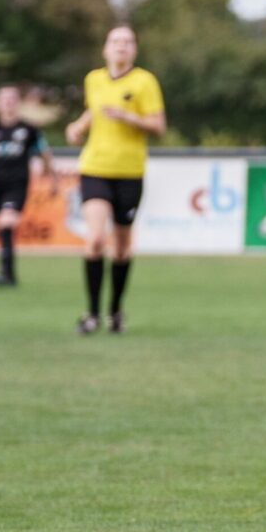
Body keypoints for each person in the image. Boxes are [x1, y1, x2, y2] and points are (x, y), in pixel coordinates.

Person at [64, 26, 166, 335]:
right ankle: (92, 313)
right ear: (105, 49)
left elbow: (158, 126)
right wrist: (77, 127)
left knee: (121, 248)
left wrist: (128, 117)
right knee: (95, 239)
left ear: (134, 49)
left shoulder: (144, 82)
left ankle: (115, 311)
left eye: (127, 42)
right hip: (95, 167)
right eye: (115, 41)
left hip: (129, 172)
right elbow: (94, 112)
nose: (121, 46)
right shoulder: (93, 79)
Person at [0, 85, 57, 287]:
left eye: (12, 99)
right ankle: (6, 272)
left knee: (6, 222)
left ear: (18, 103)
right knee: (1, 226)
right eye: (4, 99)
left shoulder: (29, 129)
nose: (8, 102)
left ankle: (7, 274)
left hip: (17, 184)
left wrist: (53, 178)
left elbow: (45, 154)